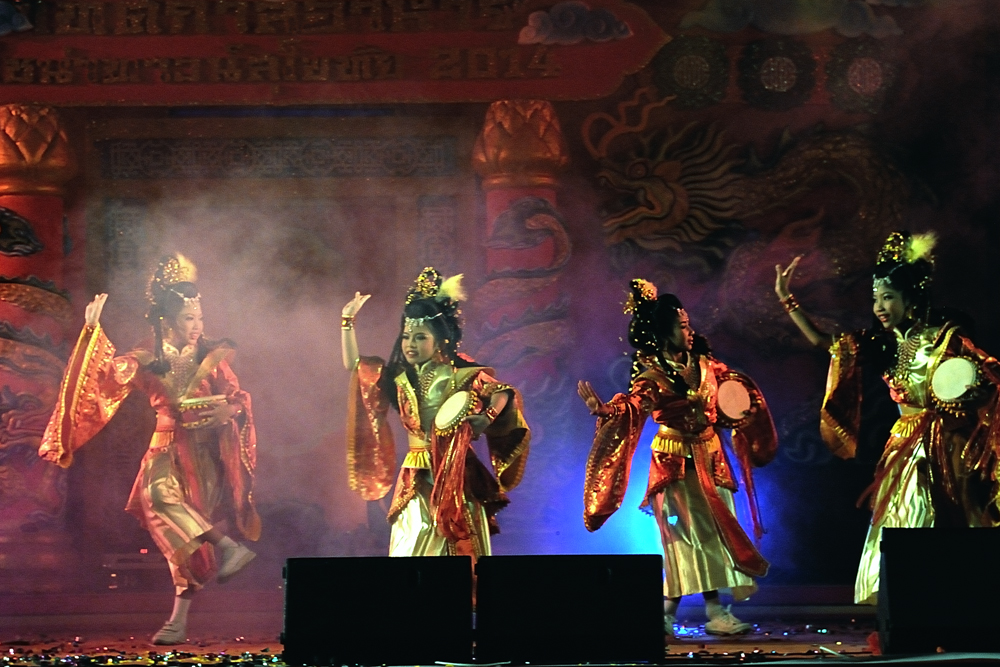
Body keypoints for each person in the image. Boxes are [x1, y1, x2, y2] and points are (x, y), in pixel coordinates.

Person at [39, 254, 260, 644]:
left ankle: (178, 617)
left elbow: (238, 396)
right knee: (156, 498)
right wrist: (91, 331)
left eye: (200, 318)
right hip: (163, 445)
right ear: (168, 319)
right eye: (189, 318)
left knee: (184, 536)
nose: (197, 326)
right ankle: (228, 547)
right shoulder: (145, 356)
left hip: (203, 453)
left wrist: (229, 408)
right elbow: (104, 380)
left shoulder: (213, 357)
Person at [775, 231, 1000, 604]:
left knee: (951, 519)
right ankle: (911, 600)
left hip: (948, 441)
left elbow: (987, 377)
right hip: (905, 445)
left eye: (888, 297)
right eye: (875, 298)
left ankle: (955, 601)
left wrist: (968, 393)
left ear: (911, 297)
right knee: (904, 517)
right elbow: (824, 344)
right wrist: (789, 302)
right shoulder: (882, 343)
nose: (879, 306)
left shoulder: (946, 336)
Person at [578, 279, 777, 636]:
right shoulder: (652, 376)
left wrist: (742, 412)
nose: (690, 332)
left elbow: (735, 395)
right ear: (663, 333)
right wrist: (606, 410)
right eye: (682, 327)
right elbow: (635, 406)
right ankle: (711, 611)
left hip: (711, 459)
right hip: (675, 466)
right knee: (686, 540)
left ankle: (673, 615)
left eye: (689, 325)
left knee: (715, 535)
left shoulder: (706, 365)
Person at [341, 267, 530, 559]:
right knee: (413, 546)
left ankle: (466, 601)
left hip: (457, 472)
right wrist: (347, 321)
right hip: (416, 476)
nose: (410, 345)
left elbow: (504, 392)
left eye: (420, 338)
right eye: (406, 337)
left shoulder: (461, 373)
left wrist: (487, 417)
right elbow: (355, 365)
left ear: (440, 340)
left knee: (459, 545)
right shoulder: (398, 378)